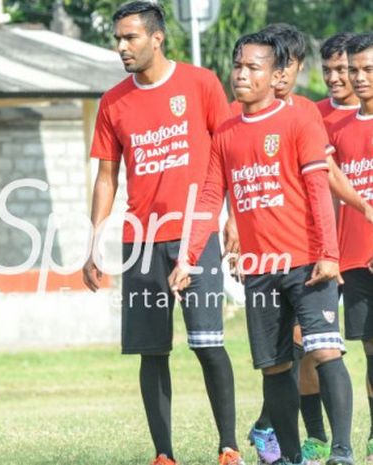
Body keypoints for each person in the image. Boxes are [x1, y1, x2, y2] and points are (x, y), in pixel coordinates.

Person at [169, 31, 354, 465]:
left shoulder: (299, 120)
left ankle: (342, 452)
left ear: (276, 76)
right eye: (238, 66)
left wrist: (329, 254)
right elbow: (211, 197)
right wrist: (188, 257)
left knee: (325, 349)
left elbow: (317, 191)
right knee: (274, 367)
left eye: (253, 67)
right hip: (260, 268)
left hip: (308, 263)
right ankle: (290, 457)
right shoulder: (225, 133)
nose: (242, 74)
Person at [82, 2, 241, 464]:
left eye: (130, 38)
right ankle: (163, 454)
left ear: (157, 38)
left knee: (207, 344)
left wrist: (232, 217)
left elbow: (228, 151)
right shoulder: (113, 101)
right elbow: (107, 177)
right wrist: (95, 242)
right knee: (151, 352)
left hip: (196, 236)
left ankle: (228, 446)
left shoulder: (201, 84)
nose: (121, 47)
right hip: (141, 242)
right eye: (118, 39)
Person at [328, 33, 373, 465]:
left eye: (368, 69)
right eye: (354, 69)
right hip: (355, 257)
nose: (359, 78)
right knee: (370, 349)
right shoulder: (338, 130)